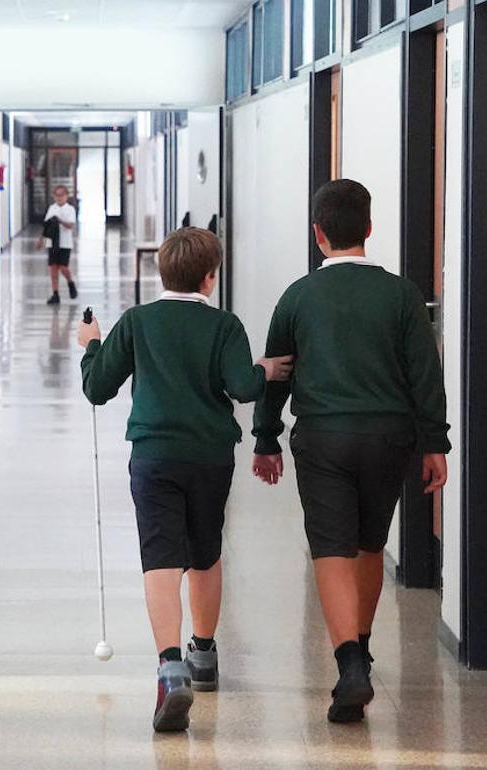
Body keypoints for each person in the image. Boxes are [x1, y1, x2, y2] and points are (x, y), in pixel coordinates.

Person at [77, 228, 294, 732]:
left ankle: (169, 666)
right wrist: (263, 370)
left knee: (160, 556)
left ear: (162, 271)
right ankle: (205, 655)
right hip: (209, 456)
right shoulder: (224, 326)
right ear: (211, 277)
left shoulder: (137, 322)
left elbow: (97, 389)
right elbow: (242, 388)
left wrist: (92, 346)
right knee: (205, 550)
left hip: (154, 456)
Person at [250, 179, 450, 724]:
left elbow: (276, 375)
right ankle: (359, 645)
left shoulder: (298, 296)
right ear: (368, 228)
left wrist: (265, 438)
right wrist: (436, 441)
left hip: (324, 439)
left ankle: (350, 665)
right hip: (389, 440)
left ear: (319, 234)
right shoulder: (402, 295)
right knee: (368, 544)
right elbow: (424, 375)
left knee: (330, 548)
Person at [37, 186, 78, 304]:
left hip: (65, 243)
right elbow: (46, 226)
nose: (59, 198)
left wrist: (59, 221)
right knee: (53, 268)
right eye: (57, 195)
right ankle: (55, 293)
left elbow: (70, 225)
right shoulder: (51, 208)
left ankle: (70, 282)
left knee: (63, 267)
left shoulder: (70, 209)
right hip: (52, 242)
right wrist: (41, 240)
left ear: (66, 196)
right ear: (54, 196)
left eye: (62, 195)